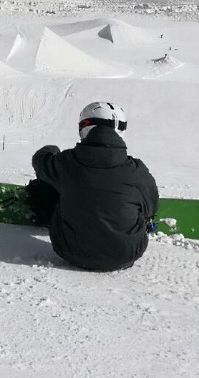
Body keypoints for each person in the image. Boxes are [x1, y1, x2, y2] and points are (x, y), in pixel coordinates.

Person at [26, 101, 159, 272]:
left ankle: (41, 210)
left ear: (85, 126)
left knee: (54, 182)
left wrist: (51, 149)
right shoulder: (136, 170)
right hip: (126, 255)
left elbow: (40, 162)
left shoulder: (67, 162)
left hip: (70, 252)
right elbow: (151, 208)